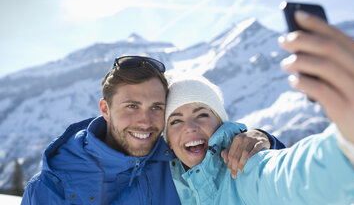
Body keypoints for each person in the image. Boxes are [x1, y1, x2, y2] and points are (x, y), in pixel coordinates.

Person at [164, 11, 354, 204]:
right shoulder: (166, 186)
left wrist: (353, 149)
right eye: (175, 120)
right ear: (168, 141)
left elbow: (295, 179)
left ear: (220, 123)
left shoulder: (245, 169)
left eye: (201, 114)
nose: (189, 127)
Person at [21, 55, 284, 204]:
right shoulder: (51, 189)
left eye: (157, 107)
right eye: (132, 106)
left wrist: (264, 139)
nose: (146, 122)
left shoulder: (178, 159)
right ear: (105, 109)